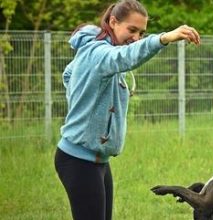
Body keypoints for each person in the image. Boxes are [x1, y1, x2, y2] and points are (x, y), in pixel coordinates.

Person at [54, 1, 200, 220]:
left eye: (141, 33)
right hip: (79, 160)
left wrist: (84, 98)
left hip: (98, 160)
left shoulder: (100, 52)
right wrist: (163, 38)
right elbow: (125, 57)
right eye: (132, 30)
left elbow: (69, 74)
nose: (136, 38)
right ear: (113, 22)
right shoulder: (99, 53)